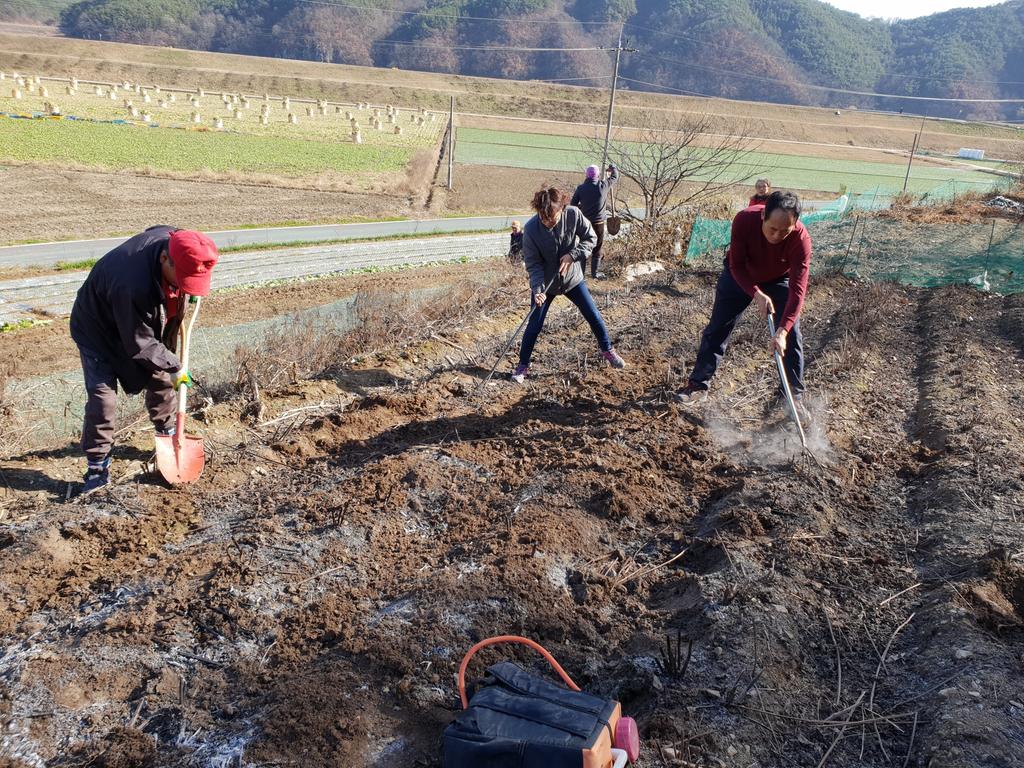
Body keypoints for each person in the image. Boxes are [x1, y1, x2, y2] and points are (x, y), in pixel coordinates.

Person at [69, 226, 219, 493]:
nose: (185, 285)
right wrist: (176, 366)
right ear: (164, 259)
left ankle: (168, 434)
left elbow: (158, 233)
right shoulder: (131, 285)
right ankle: (96, 466)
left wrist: (169, 365)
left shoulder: (174, 241)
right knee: (103, 398)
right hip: (98, 331)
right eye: (181, 277)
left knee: (160, 378)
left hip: (139, 323)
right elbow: (139, 343)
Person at [677, 191, 810, 409]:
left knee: (792, 335)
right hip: (740, 275)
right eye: (772, 229)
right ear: (762, 217)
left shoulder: (801, 239)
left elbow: (798, 291)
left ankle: (792, 396)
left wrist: (782, 331)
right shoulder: (744, 219)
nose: (776, 236)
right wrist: (756, 293)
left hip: (778, 279)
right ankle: (698, 385)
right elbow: (736, 265)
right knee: (719, 327)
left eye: (784, 231)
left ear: (795, 224)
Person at [512, 187, 626, 383]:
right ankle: (522, 366)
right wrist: (538, 290)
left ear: (562, 209)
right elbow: (533, 264)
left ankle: (608, 351)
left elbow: (591, 238)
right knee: (534, 325)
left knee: (593, 314)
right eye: (543, 216)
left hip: (573, 279)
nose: (547, 221)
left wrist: (573, 255)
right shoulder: (531, 229)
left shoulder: (573, 214)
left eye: (552, 217)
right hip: (546, 284)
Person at [570, 163, 618, 279]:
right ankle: (594, 273)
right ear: (598, 175)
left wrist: (583, 207)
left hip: (584, 223)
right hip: (599, 223)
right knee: (597, 247)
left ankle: (581, 274)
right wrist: (613, 168)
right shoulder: (603, 186)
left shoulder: (581, 189)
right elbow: (615, 177)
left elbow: (573, 205)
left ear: (586, 175)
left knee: (583, 246)